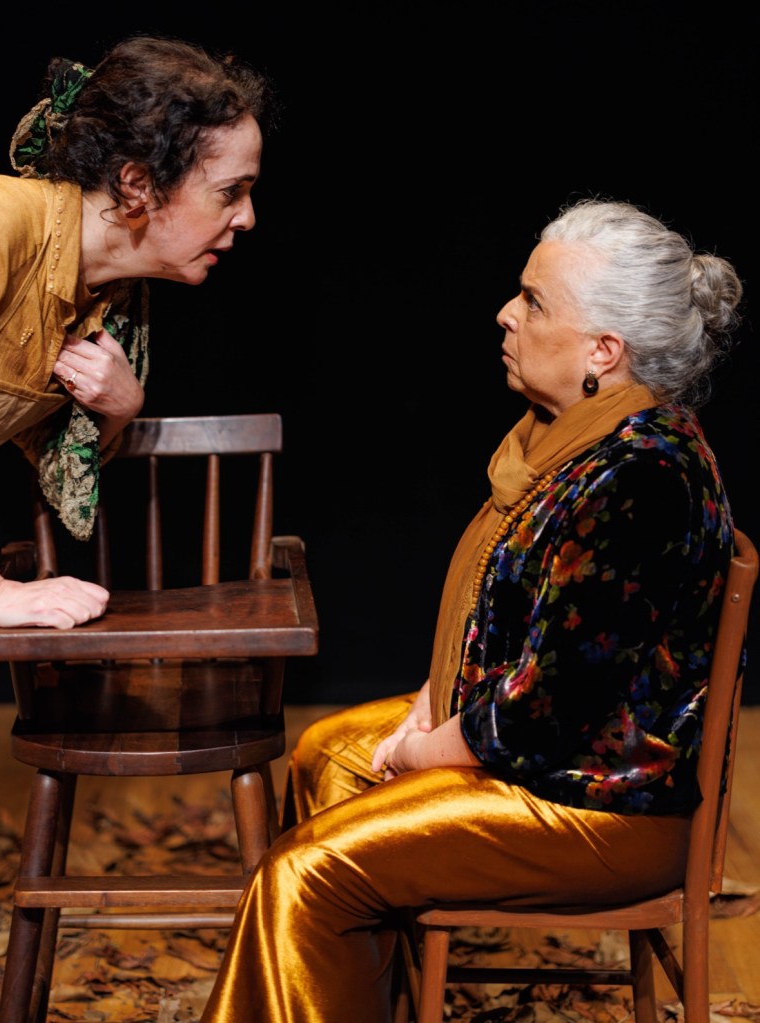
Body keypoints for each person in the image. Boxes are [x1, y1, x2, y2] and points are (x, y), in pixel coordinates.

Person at [200, 198, 744, 1023]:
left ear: (604, 350)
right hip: (554, 756)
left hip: (605, 806)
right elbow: (514, 620)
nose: (505, 313)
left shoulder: (642, 479)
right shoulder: (570, 440)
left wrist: (428, 749)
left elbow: (550, 712)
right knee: (324, 756)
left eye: (534, 301)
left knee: (307, 871)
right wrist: (438, 692)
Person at [0, 34, 274, 1022]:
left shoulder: (104, 293)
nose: (247, 217)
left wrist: (118, 409)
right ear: (139, 183)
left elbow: (63, 479)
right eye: (230, 191)